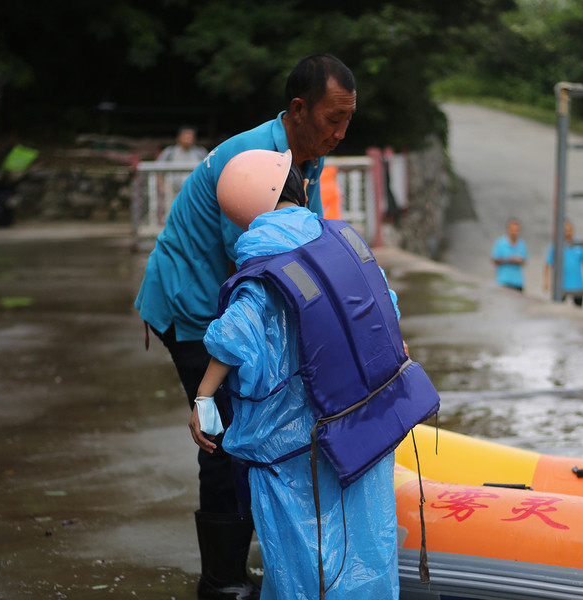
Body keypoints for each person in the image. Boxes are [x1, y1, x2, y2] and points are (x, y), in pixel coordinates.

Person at [134, 54, 357, 600]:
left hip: (225, 296)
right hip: (191, 306)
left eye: (348, 119)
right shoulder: (254, 161)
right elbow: (262, 280)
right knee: (225, 437)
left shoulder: (307, 157)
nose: (340, 132)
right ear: (298, 109)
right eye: (332, 118)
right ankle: (222, 582)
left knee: (249, 427)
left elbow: (310, 239)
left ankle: (239, 566)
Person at [189, 149, 439, 599]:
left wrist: (204, 398)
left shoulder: (260, 274)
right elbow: (384, 303)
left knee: (304, 559)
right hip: (362, 432)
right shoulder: (340, 243)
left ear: (242, 216)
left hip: (293, 451)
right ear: (299, 188)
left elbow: (233, 337)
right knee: (366, 543)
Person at [543, 219, 583, 307]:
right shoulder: (556, 244)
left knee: (578, 310)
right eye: (565, 230)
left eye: (569, 230)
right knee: (559, 309)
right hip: (561, 285)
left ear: (573, 230)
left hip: (577, 284)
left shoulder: (579, 243)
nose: (568, 232)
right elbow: (548, 264)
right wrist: (546, 281)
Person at [156, 125, 208, 204]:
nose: (188, 139)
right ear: (178, 138)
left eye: (190, 137)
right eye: (185, 136)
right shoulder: (169, 152)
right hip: (172, 194)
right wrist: (164, 189)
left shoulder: (200, 152)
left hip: (195, 194)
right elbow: (158, 172)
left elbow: (207, 172)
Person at [491, 218, 527, 292]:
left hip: (518, 282)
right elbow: (494, 260)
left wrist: (520, 260)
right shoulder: (501, 243)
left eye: (516, 230)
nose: (514, 232)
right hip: (504, 281)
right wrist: (509, 260)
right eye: (512, 230)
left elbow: (524, 260)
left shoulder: (521, 244)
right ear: (508, 230)